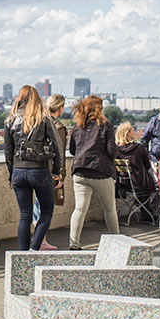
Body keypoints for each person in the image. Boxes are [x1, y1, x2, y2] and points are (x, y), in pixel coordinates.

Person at [4, 85, 63, 251]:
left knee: (25, 216)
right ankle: (34, 249)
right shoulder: (43, 118)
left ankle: (21, 256)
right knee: (46, 211)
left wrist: (11, 175)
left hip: (18, 171)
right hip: (39, 170)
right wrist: (57, 171)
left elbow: (8, 151)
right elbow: (58, 146)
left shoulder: (10, 120)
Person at [68, 95, 118, 248]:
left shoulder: (78, 127)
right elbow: (111, 151)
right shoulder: (106, 126)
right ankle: (118, 242)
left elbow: (72, 150)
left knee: (80, 209)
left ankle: (74, 243)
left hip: (80, 172)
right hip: (101, 172)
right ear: (99, 109)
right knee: (110, 209)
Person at [30, 94, 67, 249]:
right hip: (49, 171)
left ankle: (36, 239)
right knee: (45, 207)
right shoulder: (58, 127)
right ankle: (41, 241)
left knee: (36, 205)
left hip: (34, 168)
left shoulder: (37, 121)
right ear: (60, 107)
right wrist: (61, 174)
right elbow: (60, 153)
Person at [115, 121, 157, 224]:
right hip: (140, 182)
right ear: (127, 133)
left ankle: (143, 207)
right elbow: (147, 165)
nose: (134, 131)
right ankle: (147, 211)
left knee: (143, 189)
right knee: (153, 187)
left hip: (124, 184)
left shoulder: (116, 150)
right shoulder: (139, 148)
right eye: (132, 130)